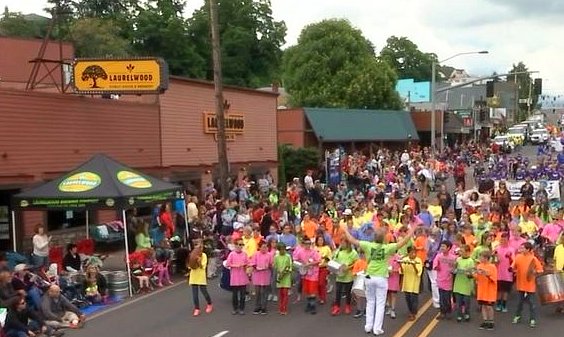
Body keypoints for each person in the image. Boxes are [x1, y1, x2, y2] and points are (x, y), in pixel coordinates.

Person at [341, 223, 415, 335]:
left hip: (369, 277)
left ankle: (368, 326)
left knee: (370, 302)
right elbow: (403, 242)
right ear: (384, 238)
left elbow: (352, 240)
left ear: (374, 237)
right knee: (380, 304)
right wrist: (412, 230)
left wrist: (346, 230)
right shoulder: (388, 248)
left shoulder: (367, 245)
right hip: (381, 278)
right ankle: (377, 328)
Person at [511, 242, 543, 328]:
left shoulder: (533, 259)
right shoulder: (518, 257)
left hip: (530, 284)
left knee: (532, 303)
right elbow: (513, 266)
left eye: (523, 248)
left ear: (528, 249)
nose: (521, 249)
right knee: (519, 302)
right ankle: (517, 316)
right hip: (520, 283)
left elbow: (540, 270)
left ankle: (532, 319)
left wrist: (535, 272)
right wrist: (512, 270)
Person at [293, 236, 321, 314]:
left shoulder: (314, 252)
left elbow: (319, 261)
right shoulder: (301, 251)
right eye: (306, 244)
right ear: (304, 244)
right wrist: (302, 264)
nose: (308, 245)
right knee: (307, 291)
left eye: (309, 244)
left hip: (313, 274)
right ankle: (309, 305)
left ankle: (313, 306)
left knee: (312, 291)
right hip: (305, 274)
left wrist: (310, 263)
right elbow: (295, 259)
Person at [331, 239, 358, 316]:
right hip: (339, 275)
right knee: (338, 291)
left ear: (347, 244)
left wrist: (349, 267)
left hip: (348, 276)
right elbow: (334, 260)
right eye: (341, 243)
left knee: (348, 292)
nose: (342, 244)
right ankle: (337, 306)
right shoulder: (338, 252)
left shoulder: (353, 253)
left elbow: (356, 262)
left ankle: (347, 306)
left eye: (343, 243)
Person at [187, 242, 213, 317]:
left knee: (204, 292)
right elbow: (189, 266)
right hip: (193, 276)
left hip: (201, 276)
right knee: (195, 294)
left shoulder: (204, 255)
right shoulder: (191, 254)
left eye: (199, 247)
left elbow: (203, 267)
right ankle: (197, 308)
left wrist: (199, 262)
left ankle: (209, 303)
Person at [474, 250, 497, 330]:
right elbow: (477, 277)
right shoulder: (479, 266)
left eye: (481, 257)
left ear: (486, 258)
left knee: (489, 307)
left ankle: (491, 321)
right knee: (483, 306)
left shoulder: (492, 267)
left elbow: (494, 279)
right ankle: (485, 320)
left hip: (489, 290)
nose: (480, 258)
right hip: (481, 289)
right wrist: (473, 274)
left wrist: (486, 275)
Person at [433, 240, 456, 319]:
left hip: (449, 280)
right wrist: (436, 267)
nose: (442, 248)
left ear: (449, 248)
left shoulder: (453, 257)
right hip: (440, 279)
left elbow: (455, 267)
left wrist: (453, 269)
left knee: (447, 297)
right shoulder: (439, 256)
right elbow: (435, 264)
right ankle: (442, 312)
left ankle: (448, 311)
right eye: (441, 246)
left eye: (444, 246)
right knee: (441, 297)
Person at [225, 238, 249, 315]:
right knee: (234, 295)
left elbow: (248, 263)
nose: (240, 246)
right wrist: (235, 265)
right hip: (235, 277)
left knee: (242, 295)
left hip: (243, 277)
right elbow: (227, 264)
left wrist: (246, 266)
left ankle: (242, 308)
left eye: (242, 244)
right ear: (235, 245)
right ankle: (235, 308)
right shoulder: (232, 254)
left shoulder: (245, 254)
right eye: (239, 244)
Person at [453, 245, 475, 322]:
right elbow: (454, 269)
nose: (460, 253)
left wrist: (467, 273)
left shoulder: (470, 261)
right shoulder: (458, 259)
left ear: (467, 252)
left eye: (462, 251)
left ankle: (467, 314)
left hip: (466, 285)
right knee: (458, 302)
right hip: (458, 284)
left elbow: (472, 274)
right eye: (460, 251)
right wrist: (454, 268)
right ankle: (459, 315)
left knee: (466, 302)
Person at [250, 241, 273, 315]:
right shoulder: (256, 254)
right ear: (259, 247)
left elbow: (271, 264)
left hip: (266, 275)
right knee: (258, 292)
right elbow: (253, 264)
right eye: (263, 247)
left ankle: (264, 307)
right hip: (257, 275)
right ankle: (257, 307)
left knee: (264, 292)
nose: (265, 248)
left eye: (266, 247)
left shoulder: (269, 255)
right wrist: (257, 267)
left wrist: (268, 266)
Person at [399, 246, 423, 321]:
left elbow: (418, 272)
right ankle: (410, 310)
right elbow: (402, 271)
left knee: (414, 298)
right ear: (408, 253)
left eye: (414, 253)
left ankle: (413, 313)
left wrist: (413, 265)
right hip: (406, 282)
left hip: (414, 282)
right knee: (408, 298)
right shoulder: (405, 259)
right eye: (411, 253)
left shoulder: (418, 260)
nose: (413, 254)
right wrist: (400, 264)